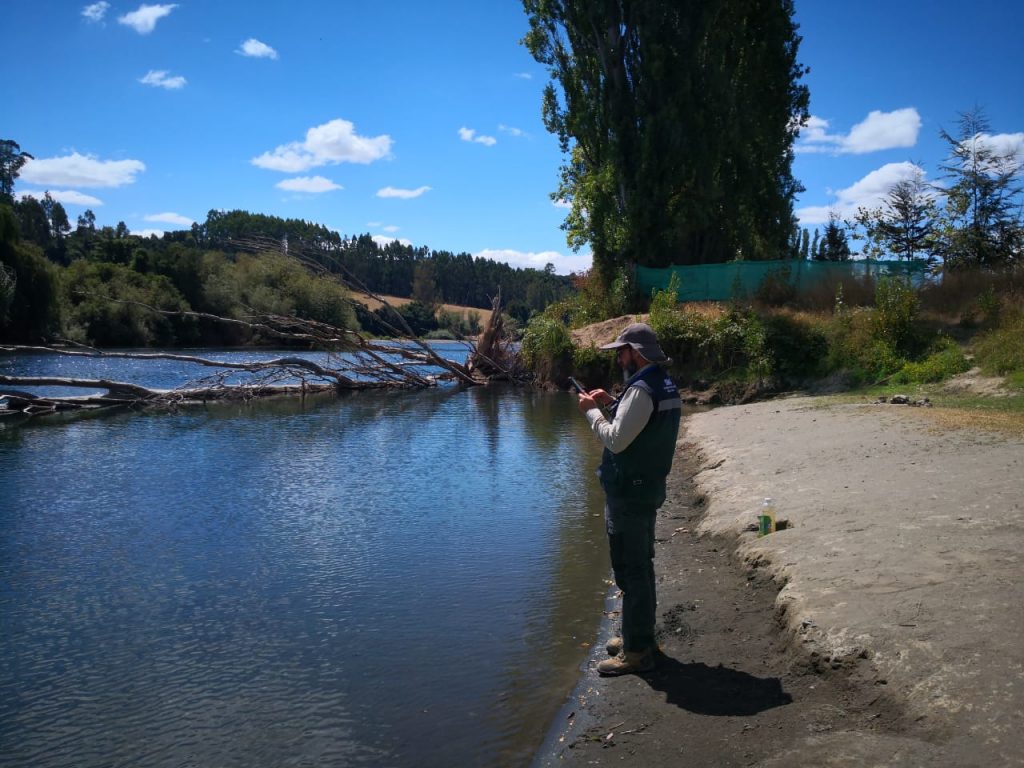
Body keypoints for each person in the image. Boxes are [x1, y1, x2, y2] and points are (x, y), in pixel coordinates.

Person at [576, 322, 681, 676]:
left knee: (631, 568)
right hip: (646, 487)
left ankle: (637, 651)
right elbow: (640, 426)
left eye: (621, 351)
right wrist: (611, 402)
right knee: (640, 566)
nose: (618, 357)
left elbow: (617, 441)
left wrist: (591, 411)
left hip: (630, 491)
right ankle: (638, 635)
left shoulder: (642, 389)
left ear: (635, 353)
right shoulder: (661, 383)